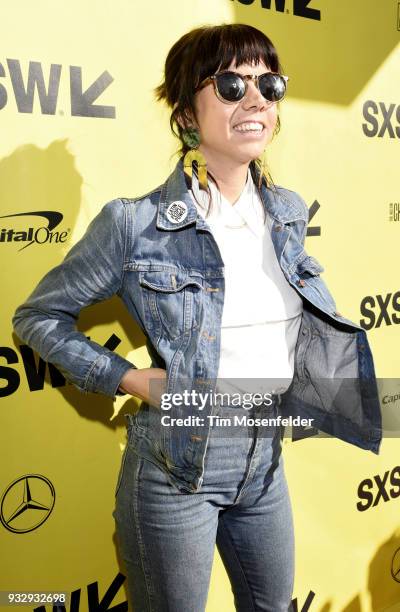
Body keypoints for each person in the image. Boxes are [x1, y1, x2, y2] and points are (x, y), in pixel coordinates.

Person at [12, 23, 382, 612]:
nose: (257, 97)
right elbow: (37, 316)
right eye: (233, 83)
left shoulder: (285, 210)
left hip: (264, 462)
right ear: (187, 112)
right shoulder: (136, 224)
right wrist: (129, 378)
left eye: (270, 83)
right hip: (177, 466)